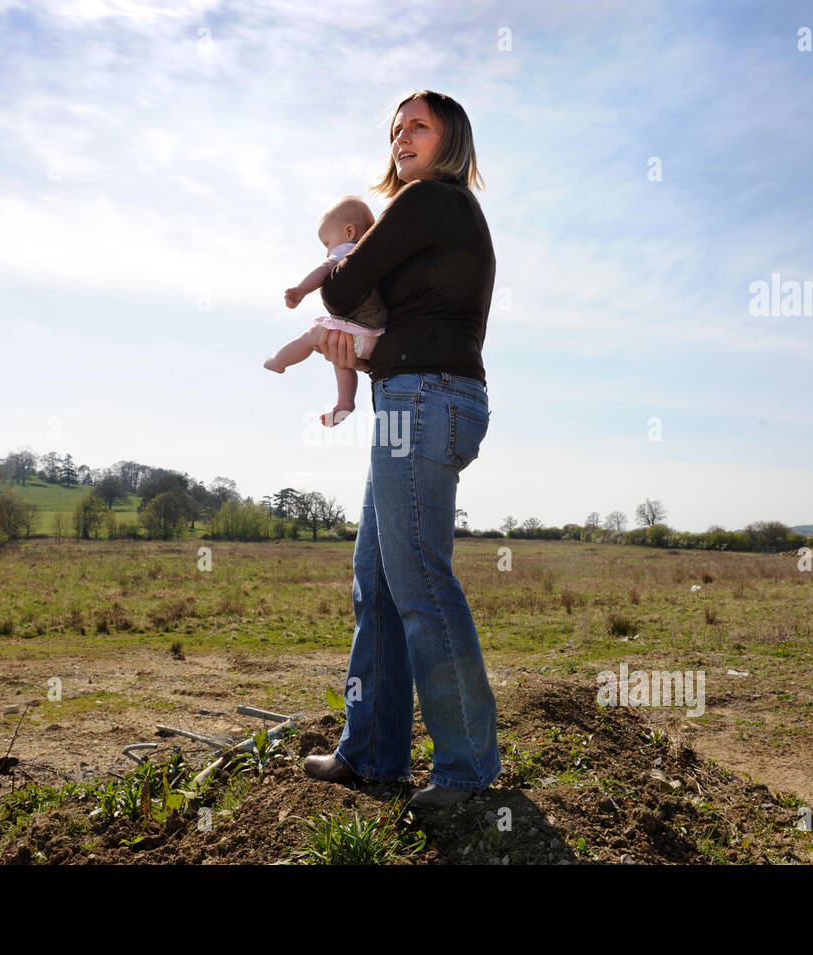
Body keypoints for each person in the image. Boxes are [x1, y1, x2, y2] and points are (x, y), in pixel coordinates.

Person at [302, 90, 500, 811]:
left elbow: (347, 286)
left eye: (417, 124)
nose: (401, 136)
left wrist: (338, 264)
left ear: (451, 137)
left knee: (417, 582)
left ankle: (468, 768)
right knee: (376, 582)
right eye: (394, 128)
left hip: (424, 399)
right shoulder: (437, 216)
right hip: (410, 399)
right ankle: (373, 752)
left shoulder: (428, 201)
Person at [263, 196, 388, 427]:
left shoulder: (349, 251)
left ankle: (279, 362)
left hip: (358, 332)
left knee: (312, 336)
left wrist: (301, 290)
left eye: (327, 243)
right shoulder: (376, 258)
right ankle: (344, 403)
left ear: (349, 231)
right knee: (341, 358)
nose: (327, 252)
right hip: (375, 339)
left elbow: (324, 269)